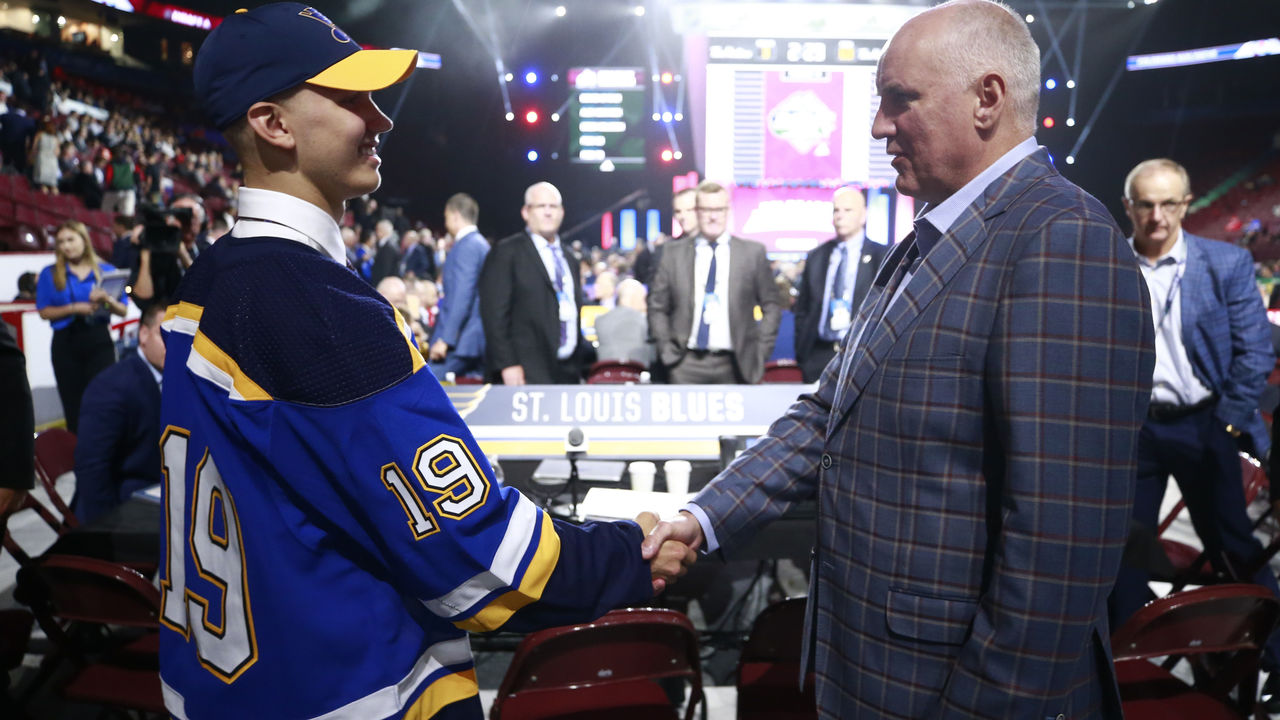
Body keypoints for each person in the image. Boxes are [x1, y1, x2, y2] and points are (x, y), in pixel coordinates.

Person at [165, 6, 690, 718]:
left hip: (234, 685)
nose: (380, 119)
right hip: (351, 691)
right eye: (350, 97)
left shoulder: (212, 277)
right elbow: (479, 555)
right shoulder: (314, 303)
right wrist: (629, 553)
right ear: (274, 124)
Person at [642, 2, 1155, 717]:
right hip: (877, 671)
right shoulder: (928, 238)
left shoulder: (1063, 240)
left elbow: (1061, 548)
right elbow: (828, 414)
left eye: (899, 99)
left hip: (957, 692)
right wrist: (704, 516)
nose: (879, 126)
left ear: (987, 99)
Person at [1109, 158, 1280, 703]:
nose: (1157, 216)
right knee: (1120, 545)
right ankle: (1124, 664)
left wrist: (1227, 421)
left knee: (1232, 544)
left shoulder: (1226, 262)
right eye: (1145, 204)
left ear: (1186, 204)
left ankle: (1276, 659)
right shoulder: (1109, 262)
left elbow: (1255, 352)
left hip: (1205, 422)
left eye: (1168, 204)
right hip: (1136, 428)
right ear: (1128, 207)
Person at [647, 180, 781, 384]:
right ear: (697, 211)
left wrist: (760, 351)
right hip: (684, 364)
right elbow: (657, 307)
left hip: (737, 364)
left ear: (728, 210)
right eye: (706, 209)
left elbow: (771, 305)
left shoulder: (752, 253)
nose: (713, 216)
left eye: (719, 209)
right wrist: (667, 350)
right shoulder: (673, 253)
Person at [479, 181, 593, 384]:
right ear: (526, 212)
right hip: (524, 371)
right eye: (541, 206)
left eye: (553, 206)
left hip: (567, 372)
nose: (548, 212)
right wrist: (507, 363)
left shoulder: (570, 259)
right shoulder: (506, 252)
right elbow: (494, 314)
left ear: (562, 212)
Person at [72, 302, 165, 524]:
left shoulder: (180, 381)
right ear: (143, 334)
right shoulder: (113, 386)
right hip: (124, 509)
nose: (175, 345)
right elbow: (92, 468)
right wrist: (107, 529)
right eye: (165, 336)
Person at [35, 220, 128, 433]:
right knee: (74, 407)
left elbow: (122, 310)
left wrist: (106, 300)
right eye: (61, 242)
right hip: (66, 343)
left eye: (70, 239)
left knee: (104, 402)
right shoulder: (50, 273)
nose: (66, 246)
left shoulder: (106, 271)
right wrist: (74, 308)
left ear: (84, 240)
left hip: (99, 341)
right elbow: (43, 311)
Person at [793, 186, 888, 383]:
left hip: (861, 356)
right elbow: (802, 309)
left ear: (863, 215)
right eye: (836, 210)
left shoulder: (883, 256)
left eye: (848, 210)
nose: (840, 216)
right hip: (818, 357)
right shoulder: (816, 256)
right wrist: (803, 354)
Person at [429, 192, 488, 381]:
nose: (445, 222)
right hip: (471, 339)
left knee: (424, 387)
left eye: (446, 217)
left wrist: (446, 339)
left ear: (455, 215)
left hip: (461, 341)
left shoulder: (468, 246)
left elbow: (462, 295)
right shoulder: (479, 244)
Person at [594, 278, 653, 366]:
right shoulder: (644, 321)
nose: (645, 305)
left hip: (606, 371)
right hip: (637, 371)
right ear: (633, 298)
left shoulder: (600, 321)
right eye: (643, 299)